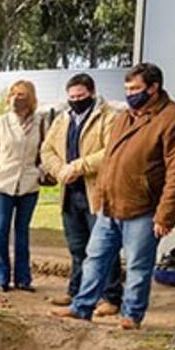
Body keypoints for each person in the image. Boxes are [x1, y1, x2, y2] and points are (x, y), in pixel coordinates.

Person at [53, 63, 175, 328]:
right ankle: (81, 307)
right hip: (109, 206)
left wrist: (166, 215)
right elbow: (110, 160)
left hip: (143, 208)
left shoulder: (174, 120)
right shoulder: (126, 117)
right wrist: (102, 197)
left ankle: (131, 316)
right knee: (94, 258)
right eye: (127, 89)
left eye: (136, 88)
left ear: (154, 88)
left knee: (138, 266)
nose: (130, 93)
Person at [40, 73, 123, 316]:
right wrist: (61, 171)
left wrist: (78, 167)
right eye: (72, 97)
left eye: (81, 96)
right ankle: (76, 291)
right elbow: (47, 149)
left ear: (92, 93)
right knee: (77, 247)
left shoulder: (109, 117)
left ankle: (110, 297)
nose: (76, 100)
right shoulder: (63, 118)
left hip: (95, 191)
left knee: (104, 248)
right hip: (70, 192)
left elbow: (111, 151)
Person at [0, 80, 42, 293]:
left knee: (22, 232)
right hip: (3, 186)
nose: (16, 98)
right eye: (13, 94)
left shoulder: (41, 123)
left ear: (30, 98)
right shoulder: (0, 123)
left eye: (22, 94)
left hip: (29, 186)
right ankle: (2, 277)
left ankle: (23, 279)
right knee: (1, 230)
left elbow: (46, 151)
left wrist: (40, 173)